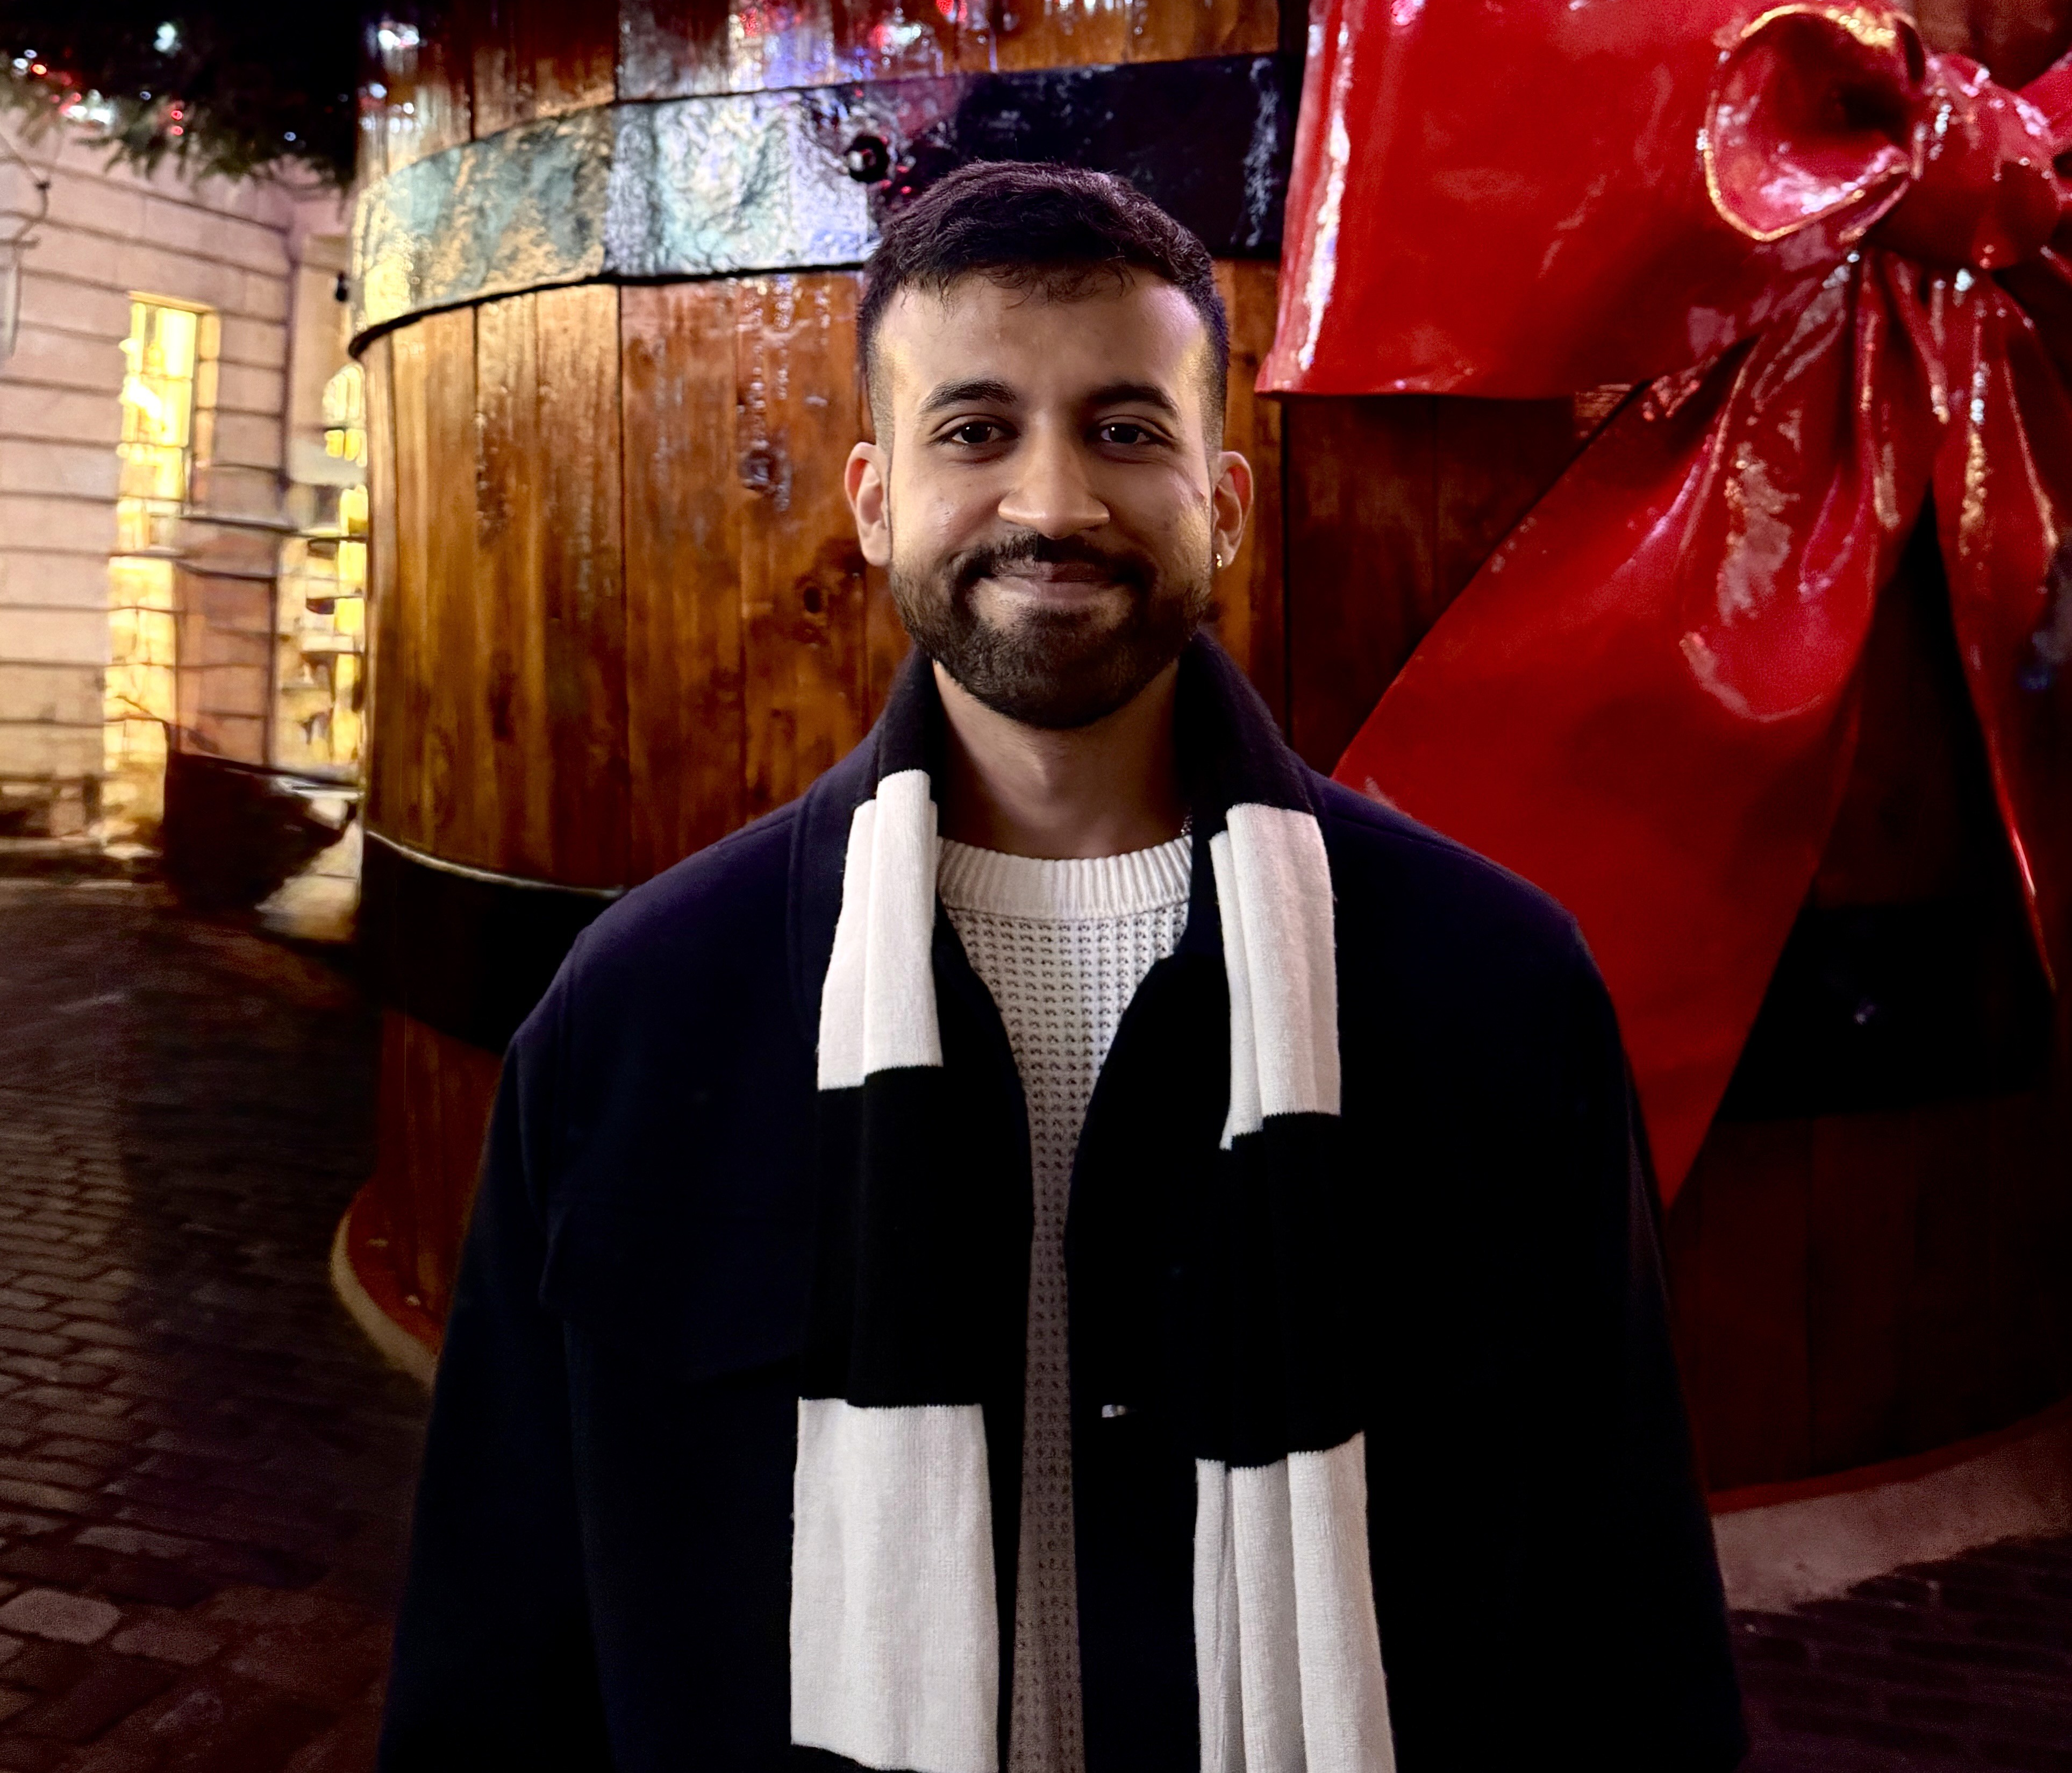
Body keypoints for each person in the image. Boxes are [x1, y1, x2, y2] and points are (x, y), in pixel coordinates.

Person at [378, 163, 1746, 1773]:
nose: (1052, 503)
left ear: (1221, 500)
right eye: (976, 430)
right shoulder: (634, 1019)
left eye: (1124, 428)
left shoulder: (1491, 996)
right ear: (877, 499)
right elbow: (499, 1645)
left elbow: (1626, 1611)